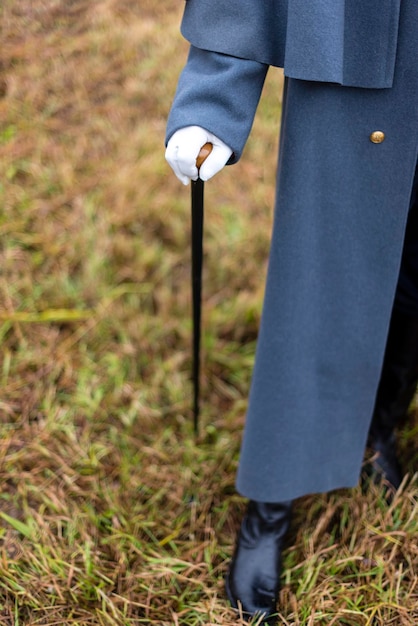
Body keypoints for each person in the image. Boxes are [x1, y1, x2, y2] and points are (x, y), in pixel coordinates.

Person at [165, 1, 418, 622]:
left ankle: (376, 425)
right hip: (365, 39)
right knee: (324, 273)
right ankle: (272, 497)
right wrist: (212, 95)